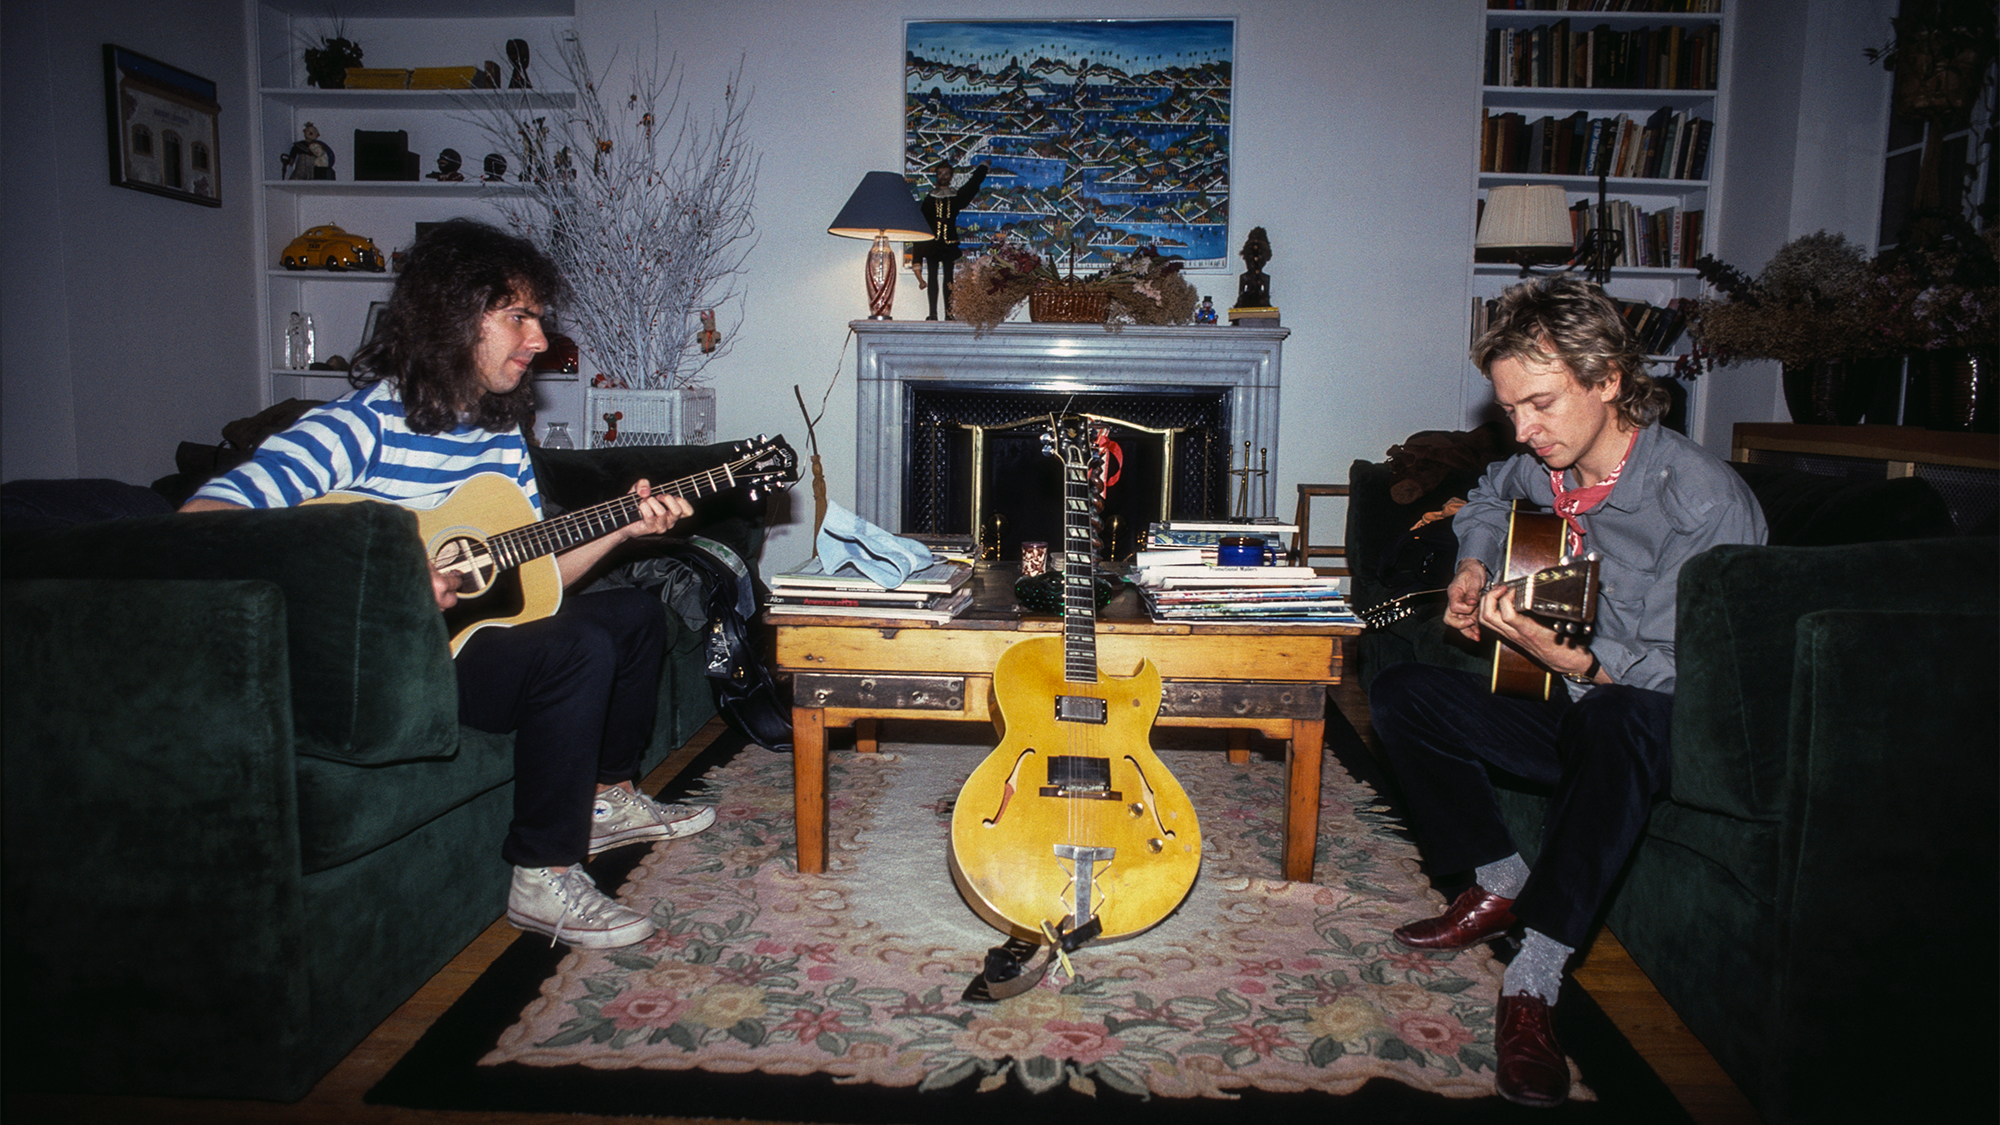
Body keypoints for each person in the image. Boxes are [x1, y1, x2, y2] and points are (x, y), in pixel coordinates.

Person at [181, 218, 714, 950]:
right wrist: (389, 581)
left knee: (631, 617)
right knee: (576, 648)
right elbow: (205, 519)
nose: (538, 341)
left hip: (467, 647)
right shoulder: (358, 427)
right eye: (518, 317)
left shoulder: (497, 436)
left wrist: (620, 529)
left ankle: (606, 798)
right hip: (388, 663)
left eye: (538, 319)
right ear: (455, 314)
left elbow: (534, 578)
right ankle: (541, 871)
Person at [1368, 275, 1765, 1108]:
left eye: (1540, 404)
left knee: (1620, 714)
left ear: (1610, 378)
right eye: (1511, 409)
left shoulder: (1699, 502)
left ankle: (1536, 977)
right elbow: (1484, 494)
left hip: (1654, 728)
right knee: (1402, 685)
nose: (1523, 429)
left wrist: (1580, 662)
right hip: (1563, 710)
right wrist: (1474, 562)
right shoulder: (1545, 464)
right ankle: (1499, 874)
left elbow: (1693, 680)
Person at [908, 159, 989, 320]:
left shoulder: (955, 197)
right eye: (940, 173)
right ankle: (932, 313)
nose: (943, 176)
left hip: (949, 243)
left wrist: (983, 169)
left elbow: (971, 186)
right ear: (936, 175)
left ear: (951, 176)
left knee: (949, 279)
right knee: (932, 277)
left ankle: (949, 313)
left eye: (946, 174)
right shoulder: (930, 198)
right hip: (931, 244)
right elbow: (921, 222)